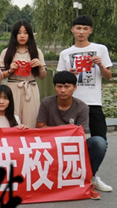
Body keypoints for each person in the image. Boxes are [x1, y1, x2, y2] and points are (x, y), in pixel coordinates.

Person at [56, 15, 112, 194]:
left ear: (90, 31)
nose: (81, 32)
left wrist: (100, 65)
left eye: (85, 28)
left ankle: (92, 176)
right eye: (78, 28)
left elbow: (108, 76)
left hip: (94, 103)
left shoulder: (100, 49)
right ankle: (68, 176)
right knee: (67, 142)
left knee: (101, 143)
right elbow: (59, 80)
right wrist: (69, 74)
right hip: (71, 103)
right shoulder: (65, 53)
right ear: (72, 30)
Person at [36, 71, 108, 199]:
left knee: (99, 142)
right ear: (55, 87)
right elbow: (40, 127)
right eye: (59, 86)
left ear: (75, 87)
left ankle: (90, 177)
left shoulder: (82, 107)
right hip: (51, 144)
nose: (63, 90)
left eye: (67, 86)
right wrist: (67, 129)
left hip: (72, 144)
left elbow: (79, 134)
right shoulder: (47, 102)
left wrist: (57, 130)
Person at [0, 21, 47, 128]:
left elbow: (43, 76)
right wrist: (10, 70)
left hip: (30, 87)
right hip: (12, 88)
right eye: (19, 33)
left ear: (30, 35)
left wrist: (40, 66)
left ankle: (29, 138)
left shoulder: (37, 52)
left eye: (25, 33)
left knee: (31, 119)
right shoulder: (6, 52)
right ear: (14, 35)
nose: (22, 36)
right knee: (12, 119)